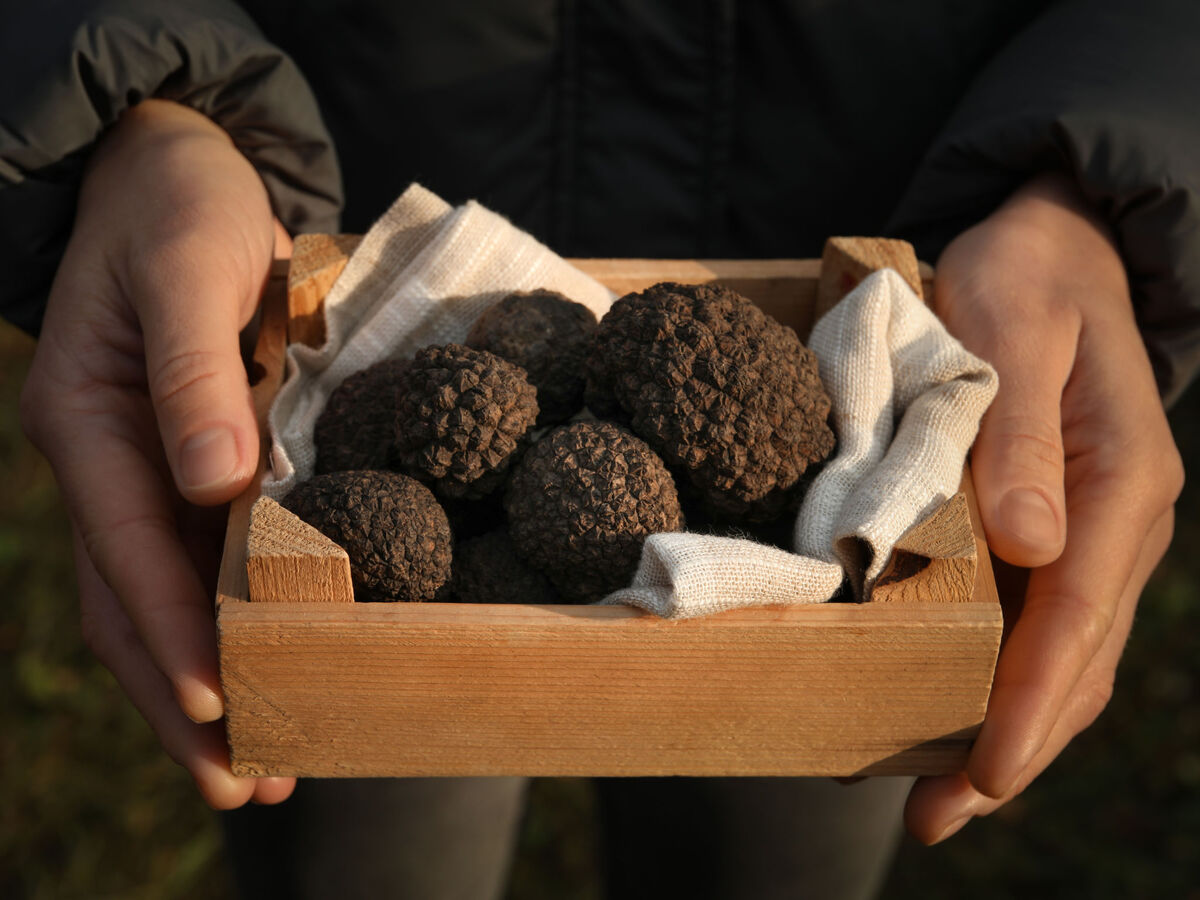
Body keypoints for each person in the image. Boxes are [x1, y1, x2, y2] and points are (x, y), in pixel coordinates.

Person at [2, 2, 1195, 897]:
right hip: (332, 161)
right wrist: (145, 105)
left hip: (881, 171)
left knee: (779, 823)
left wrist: (1084, 186)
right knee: (362, 832)